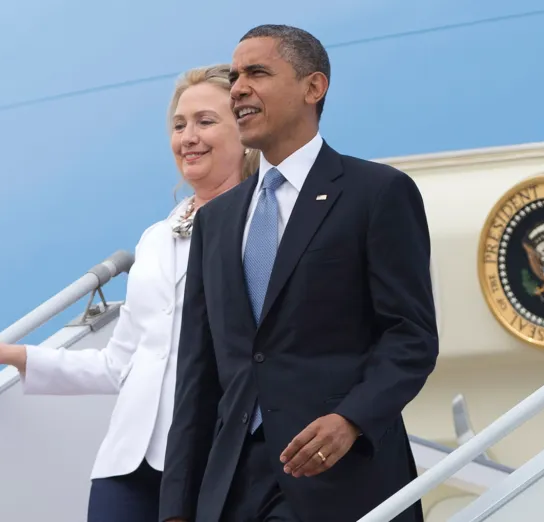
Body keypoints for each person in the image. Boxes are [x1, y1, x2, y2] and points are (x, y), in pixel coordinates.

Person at [0, 63, 260, 522]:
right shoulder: (156, 237)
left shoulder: (264, 227)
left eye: (205, 122)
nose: (188, 137)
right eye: (179, 125)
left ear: (244, 132)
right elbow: (121, 363)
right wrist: (14, 354)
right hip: (128, 462)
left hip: (214, 458)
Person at [159, 25, 439, 522]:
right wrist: (178, 509)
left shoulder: (377, 193)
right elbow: (198, 375)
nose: (239, 87)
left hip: (345, 475)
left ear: (314, 88)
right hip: (234, 486)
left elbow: (411, 338)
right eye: (237, 75)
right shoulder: (217, 221)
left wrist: (351, 418)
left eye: (257, 72)